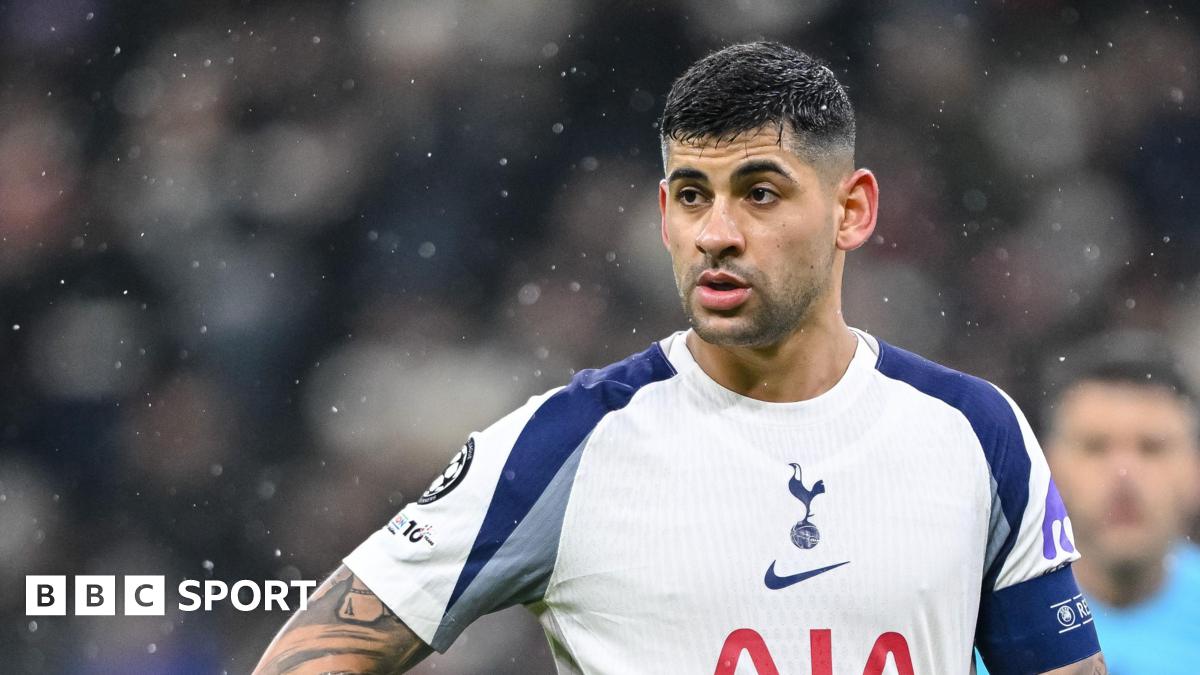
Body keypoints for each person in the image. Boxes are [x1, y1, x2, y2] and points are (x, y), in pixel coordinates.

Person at [254, 42, 1104, 674]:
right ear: (663, 214)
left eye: (760, 193)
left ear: (852, 210)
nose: (717, 233)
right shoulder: (569, 443)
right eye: (692, 196)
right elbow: (315, 653)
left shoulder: (975, 432)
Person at [978, 353, 1200, 674]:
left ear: (1194, 469)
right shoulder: (977, 623)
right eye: (1095, 447)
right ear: (1047, 468)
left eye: (1152, 447)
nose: (1124, 473)